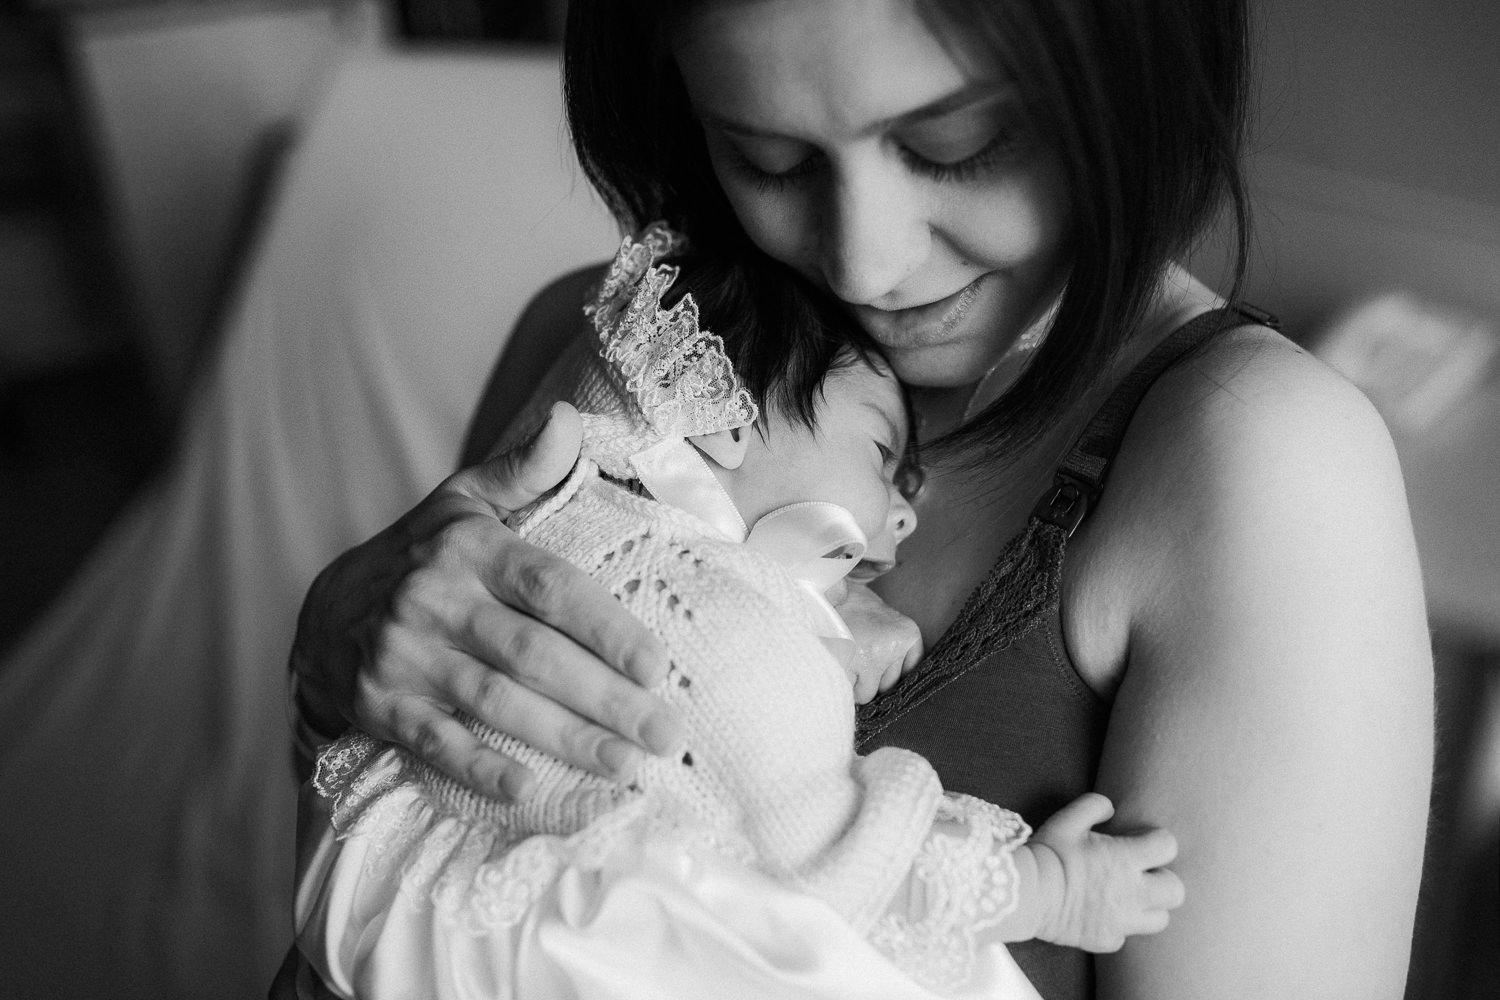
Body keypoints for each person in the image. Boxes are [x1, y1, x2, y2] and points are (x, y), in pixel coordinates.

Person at [288, 3, 1434, 998]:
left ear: (1126, 75)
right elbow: (392, 900)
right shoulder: (595, 351)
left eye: (959, 144)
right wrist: (337, 651)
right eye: (770, 160)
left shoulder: (1258, 465)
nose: (869, 264)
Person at [291, 226, 1184, 999]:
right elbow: (832, 846)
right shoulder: (712, 623)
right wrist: (1045, 887)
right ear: (723, 423)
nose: (904, 512)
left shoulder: (540, 520)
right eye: (881, 452)